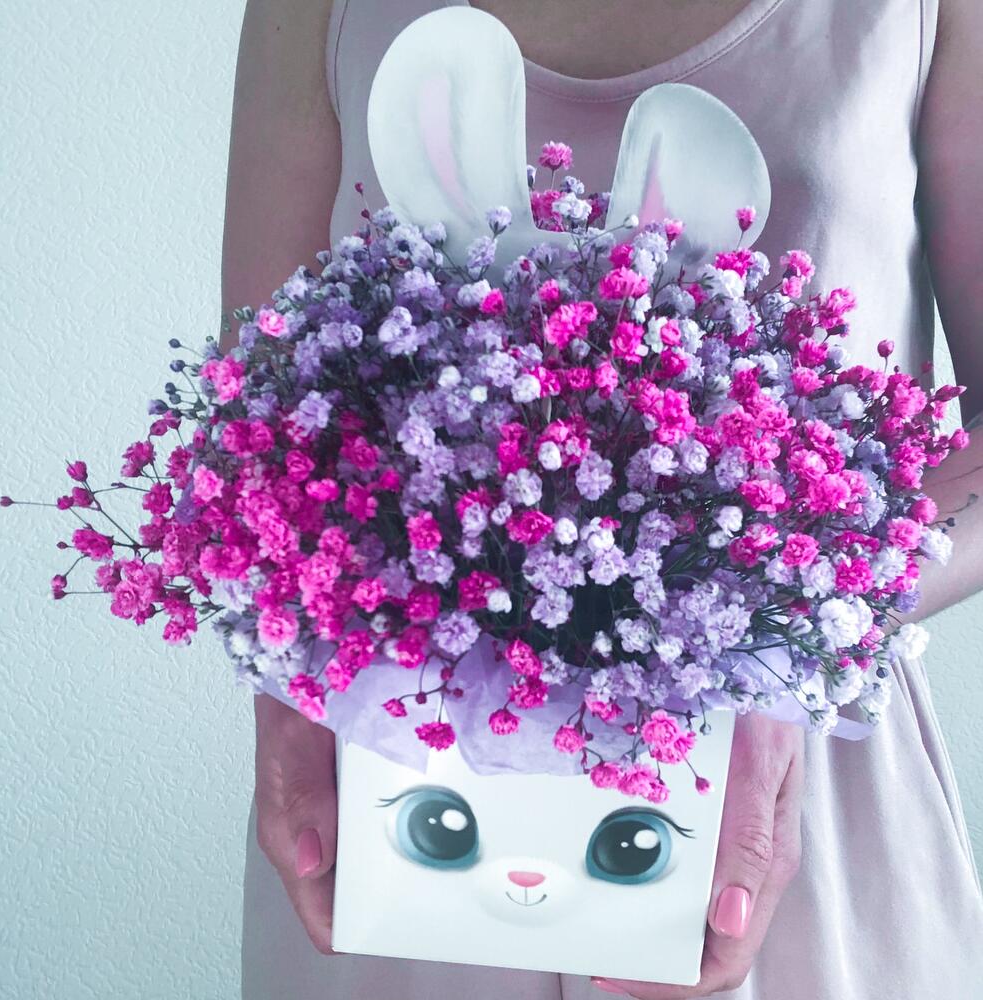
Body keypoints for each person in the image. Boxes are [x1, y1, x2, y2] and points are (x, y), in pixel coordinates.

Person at [222, 1, 983, 996]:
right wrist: (287, 693)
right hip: (408, 786)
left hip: (778, 793)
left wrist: (781, 643)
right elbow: (260, 418)